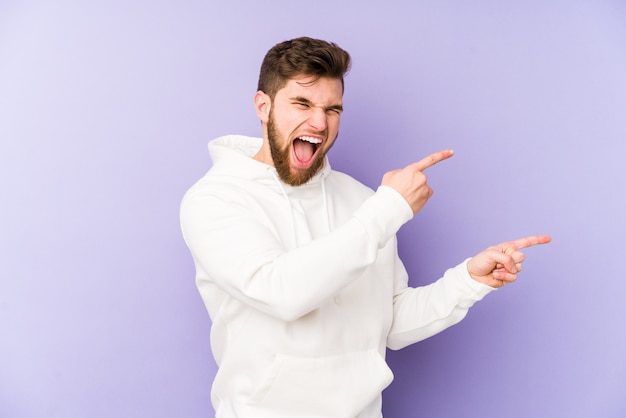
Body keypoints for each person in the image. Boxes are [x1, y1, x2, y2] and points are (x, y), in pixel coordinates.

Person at [179, 36, 550, 418]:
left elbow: (391, 323)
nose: (319, 122)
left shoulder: (363, 203)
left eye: (332, 108)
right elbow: (281, 293)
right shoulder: (215, 200)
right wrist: (388, 209)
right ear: (264, 105)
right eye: (302, 103)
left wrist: (468, 281)